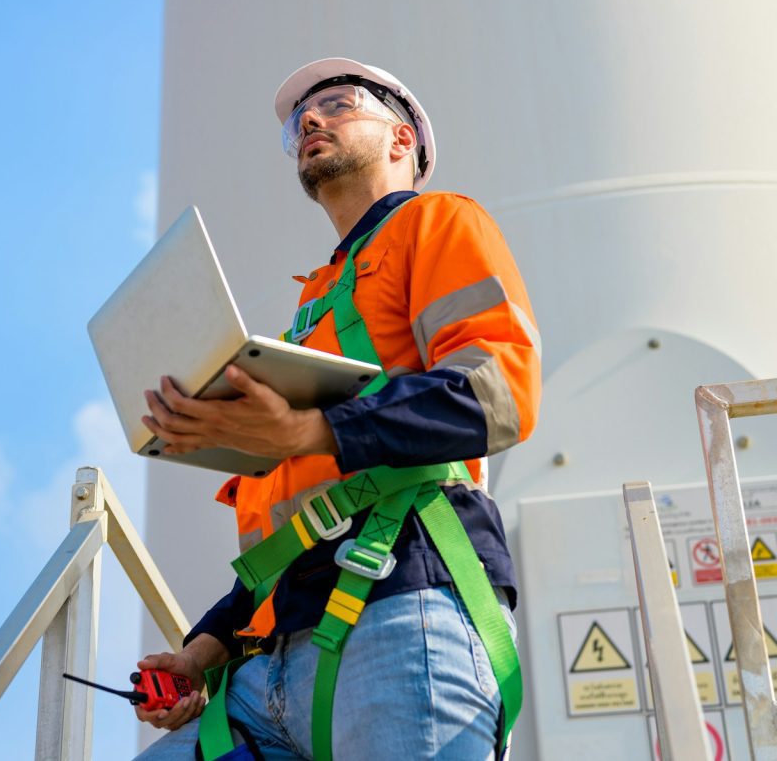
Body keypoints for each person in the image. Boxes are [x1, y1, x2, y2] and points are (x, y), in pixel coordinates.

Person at [134, 58, 541, 760]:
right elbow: (301, 524)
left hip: (401, 613)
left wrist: (306, 427)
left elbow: (499, 389)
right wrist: (204, 649)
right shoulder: (311, 311)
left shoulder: (440, 223)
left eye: (337, 104)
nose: (310, 123)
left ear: (401, 138)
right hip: (271, 667)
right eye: (299, 121)